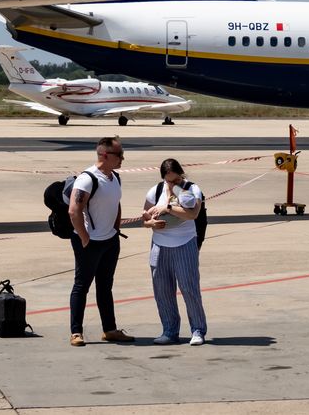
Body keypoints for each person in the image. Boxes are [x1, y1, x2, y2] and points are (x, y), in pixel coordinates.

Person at [67, 136, 134, 347]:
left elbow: (116, 202)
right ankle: (76, 332)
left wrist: (116, 228)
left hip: (110, 241)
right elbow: (73, 210)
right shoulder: (87, 179)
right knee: (82, 286)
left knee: (105, 287)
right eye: (119, 155)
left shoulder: (115, 177)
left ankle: (110, 330)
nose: (123, 158)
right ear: (105, 155)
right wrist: (85, 237)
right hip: (90, 243)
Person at [141, 158, 208, 346]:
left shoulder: (191, 190)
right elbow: (144, 218)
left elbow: (192, 214)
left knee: (189, 288)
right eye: (169, 181)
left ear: (181, 175)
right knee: (162, 290)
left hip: (184, 243)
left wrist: (168, 207)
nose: (173, 184)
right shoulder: (155, 191)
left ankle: (198, 330)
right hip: (160, 246)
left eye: (176, 180)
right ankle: (170, 330)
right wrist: (150, 223)